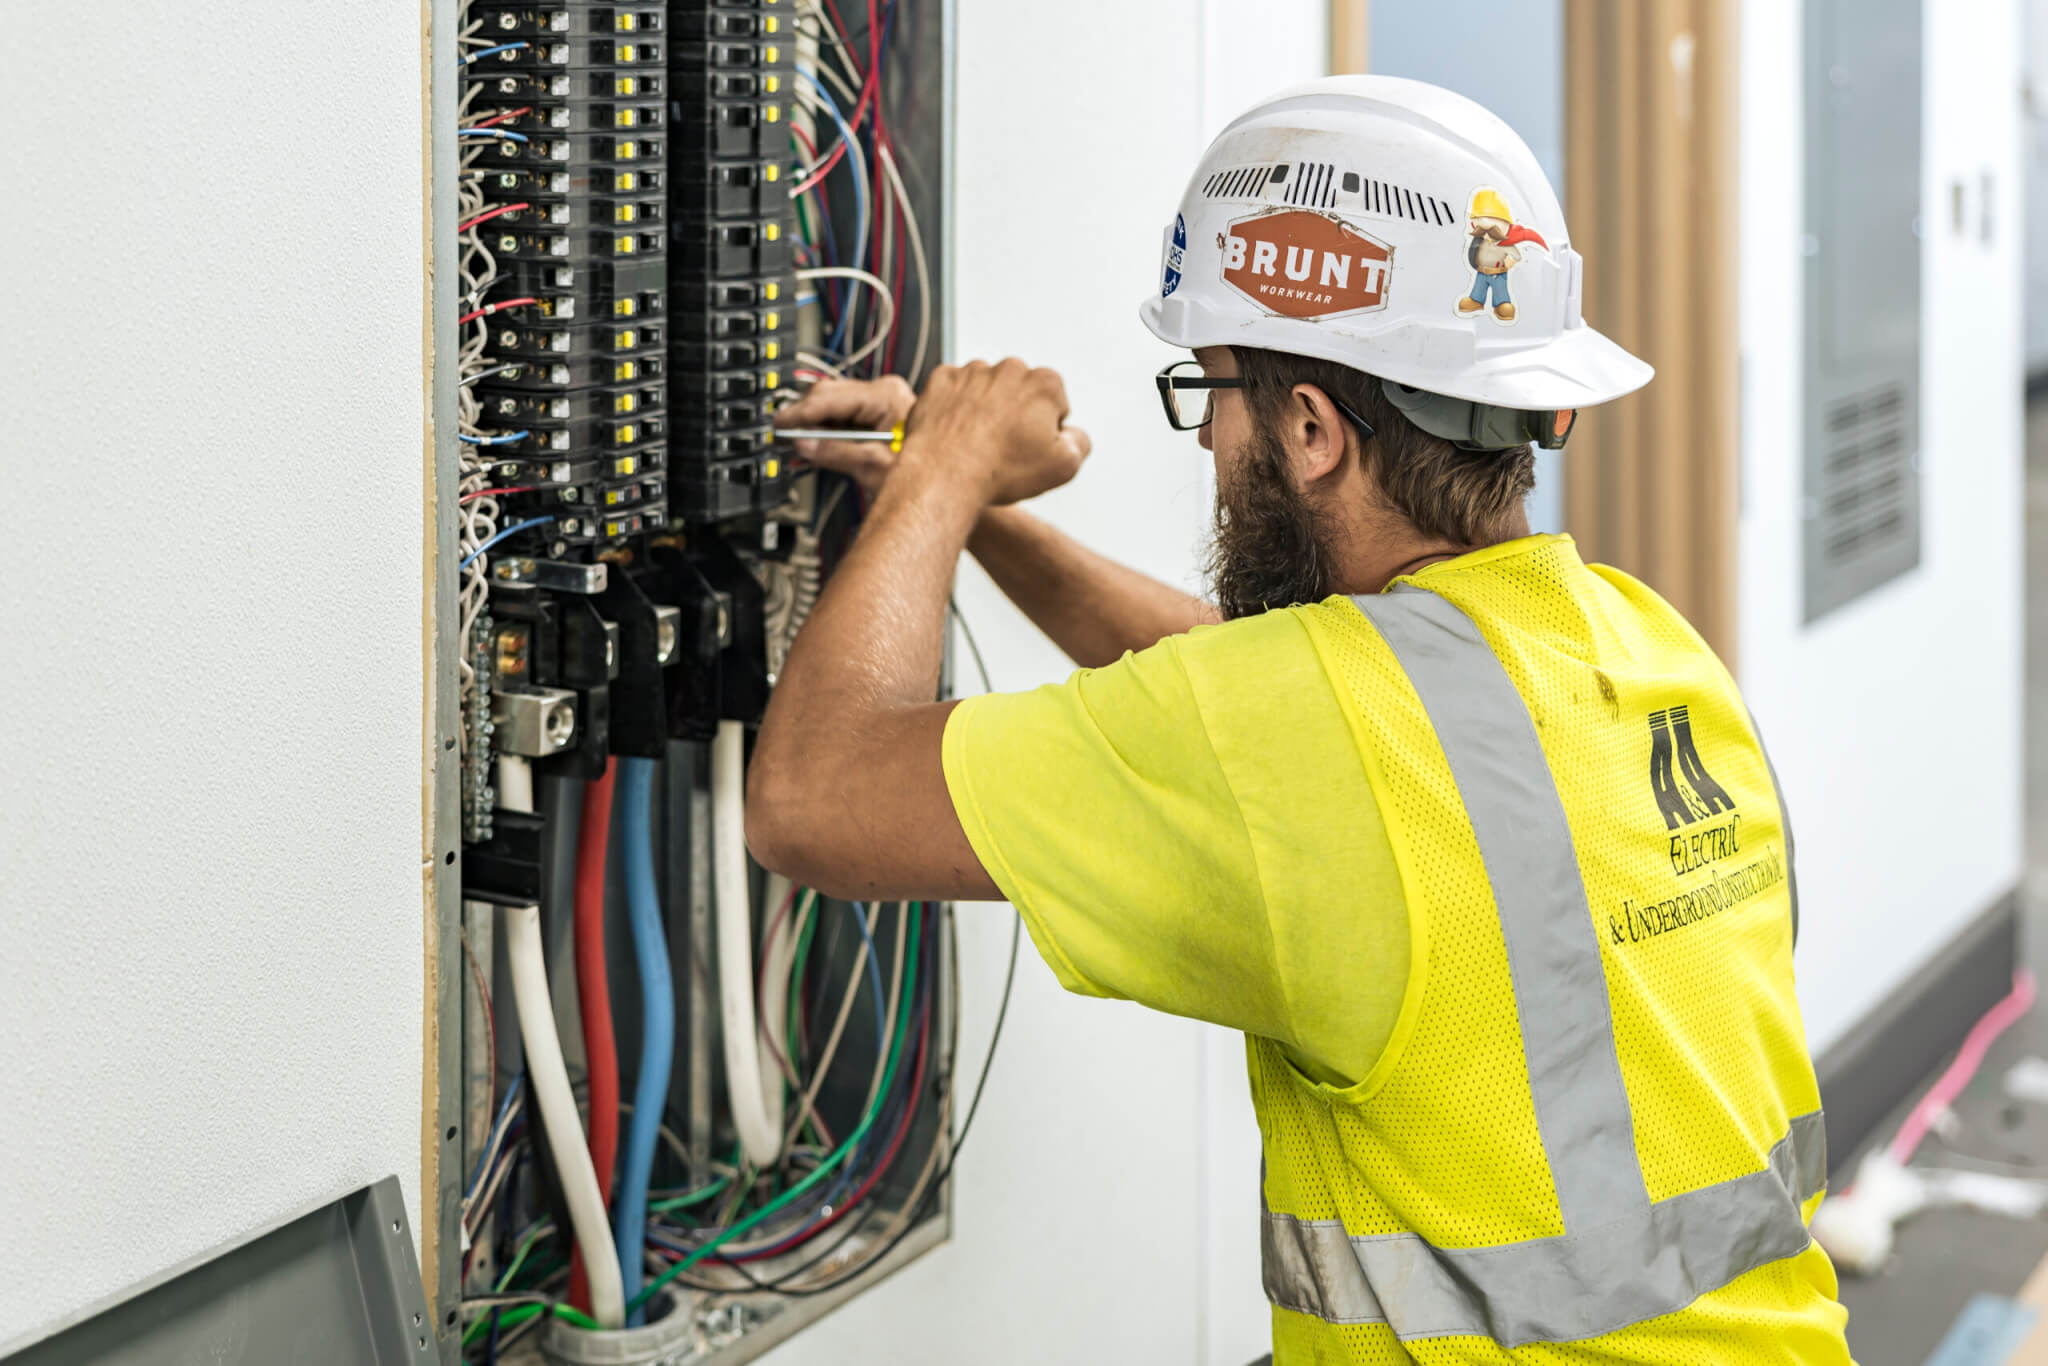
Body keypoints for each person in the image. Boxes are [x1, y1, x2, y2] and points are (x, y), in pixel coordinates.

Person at [747, 75, 1851, 1364]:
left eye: (1210, 395)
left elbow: (809, 798)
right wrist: (966, 511)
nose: (1208, 437)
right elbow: (1251, 704)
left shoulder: (1300, 730)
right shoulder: (1646, 647)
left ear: (1313, 430)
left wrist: (942, 467)